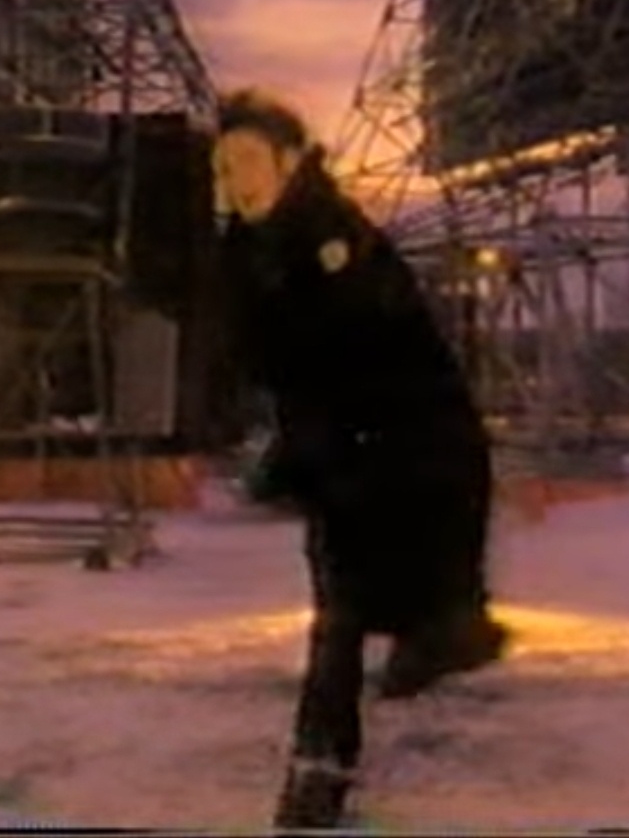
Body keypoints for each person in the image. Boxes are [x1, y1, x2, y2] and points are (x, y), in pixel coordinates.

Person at [211, 89, 508, 829]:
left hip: (407, 444)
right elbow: (253, 354)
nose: (234, 178)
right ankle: (429, 646)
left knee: (344, 615)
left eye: (247, 159)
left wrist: (299, 447)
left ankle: (322, 764)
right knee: (349, 606)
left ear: (289, 162)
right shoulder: (247, 248)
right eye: (222, 165)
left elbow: (352, 355)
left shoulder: (333, 239)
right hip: (344, 450)